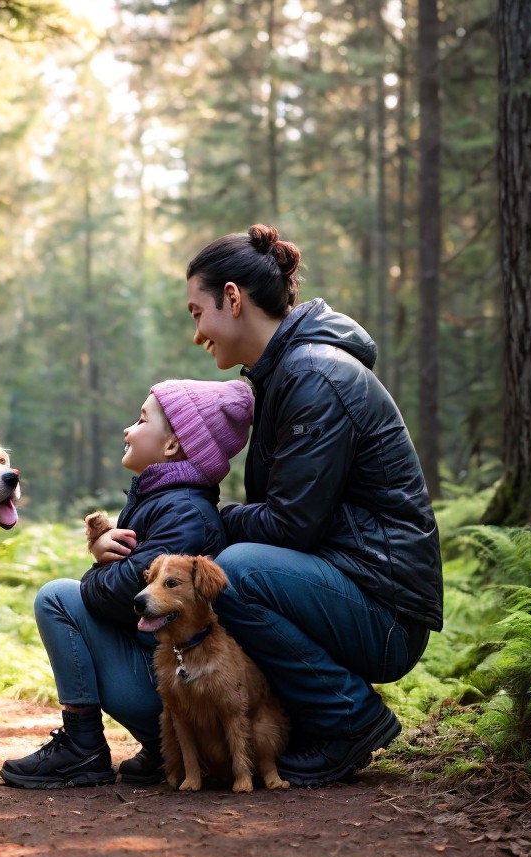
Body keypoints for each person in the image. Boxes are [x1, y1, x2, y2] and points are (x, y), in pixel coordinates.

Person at [183, 223, 444, 787]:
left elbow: (291, 524)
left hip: (385, 612)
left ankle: (348, 720)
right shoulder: (285, 375)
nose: (196, 331)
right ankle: (297, 723)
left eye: (196, 311)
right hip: (350, 588)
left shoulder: (315, 376)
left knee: (237, 573)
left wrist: (215, 521)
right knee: (233, 567)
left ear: (233, 298)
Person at [0, 378, 254, 789]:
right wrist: (103, 549)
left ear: (172, 446)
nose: (127, 430)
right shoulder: (166, 500)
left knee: (57, 598)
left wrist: (98, 565)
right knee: (69, 595)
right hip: (172, 679)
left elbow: (121, 596)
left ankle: (83, 748)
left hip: (183, 687)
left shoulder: (183, 510)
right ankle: (160, 751)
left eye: (140, 420)